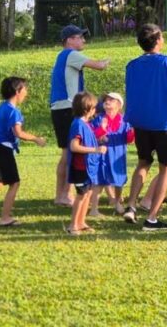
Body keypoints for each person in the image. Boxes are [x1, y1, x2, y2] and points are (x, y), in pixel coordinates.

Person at [122, 24, 167, 232]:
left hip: (140, 121)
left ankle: (130, 206)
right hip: (164, 122)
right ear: (158, 40)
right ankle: (152, 218)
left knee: (144, 162)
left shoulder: (131, 65)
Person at [0, 77, 47, 225]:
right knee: (14, 183)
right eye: (25, 89)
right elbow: (18, 133)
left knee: (1, 180)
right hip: (3, 149)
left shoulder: (3, 107)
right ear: (17, 91)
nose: (26, 92)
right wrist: (36, 139)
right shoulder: (14, 111)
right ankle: (5, 218)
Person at [49, 25, 109, 207]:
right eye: (80, 37)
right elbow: (99, 66)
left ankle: (61, 195)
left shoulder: (62, 56)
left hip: (60, 109)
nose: (83, 40)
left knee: (66, 153)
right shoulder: (71, 54)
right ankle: (64, 195)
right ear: (69, 40)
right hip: (68, 108)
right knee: (70, 153)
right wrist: (107, 61)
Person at [66, 92, 106, 235]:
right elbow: (74, 146)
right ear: (87, 109)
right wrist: (95, 149)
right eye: (94, 108)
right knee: (81, 195)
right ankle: (73, 226)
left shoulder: (85, 124)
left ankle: (81, 222)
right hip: (80, 168)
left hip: (89, 168)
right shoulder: (78, 124)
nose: (95, 110)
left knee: (88, 194)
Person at [89, 92, 134, 216]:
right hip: (101, 156)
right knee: (98, 181)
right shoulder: (99, 119)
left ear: (119, 105)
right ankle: (94, 209)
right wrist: (102, 129)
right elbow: (93, 136)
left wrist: (132, 132)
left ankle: (117, 201)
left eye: (112, 100)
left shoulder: (124, 121)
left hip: (117, 156)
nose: (107, 102)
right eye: (106, 100)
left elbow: (129, 140)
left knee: (119, 181)